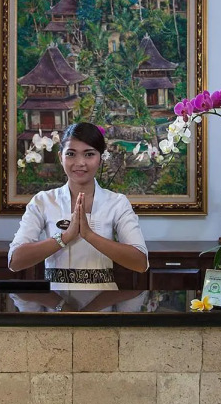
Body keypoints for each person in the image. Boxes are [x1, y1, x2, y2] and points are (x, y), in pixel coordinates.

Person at [8, 122, 148, 289]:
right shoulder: (43, 201)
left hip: (103, 300)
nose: (80, 162)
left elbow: (140, 263)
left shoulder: (117, 203)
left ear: (101, 158)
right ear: (60, 157)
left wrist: (89, 235)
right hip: (56, 301)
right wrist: (65, 237)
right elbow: (15, 261)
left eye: (89, 154)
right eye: (71, 154)